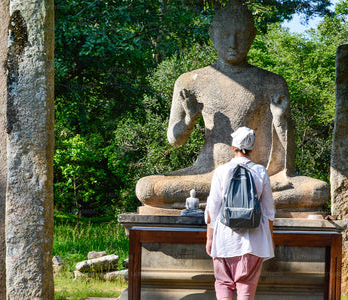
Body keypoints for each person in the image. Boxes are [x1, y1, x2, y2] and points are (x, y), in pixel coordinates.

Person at [135, 0, 329, 215]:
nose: (233, 43)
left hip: (258, 175)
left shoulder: (271, 82)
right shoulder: (190, 81)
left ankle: (212, 203)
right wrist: (190, 121)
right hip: (209, 175)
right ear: (212, 34)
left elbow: (285, 164)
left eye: (241, 35)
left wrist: (281, 120)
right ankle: (252, 201)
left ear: (253, 35)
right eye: (225, 34)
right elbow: (175, 140)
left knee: (318, 190)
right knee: (146, 188)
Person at [205, 127, 275, 300]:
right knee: (246, 287)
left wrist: (210, 239)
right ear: (251, 149)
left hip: (224, 240)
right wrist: (270, 240)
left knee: (223, 284)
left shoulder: (221, 171)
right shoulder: (260, 171)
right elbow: (268, 211)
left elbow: (212, 209)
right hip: (253, 242)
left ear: (232, 147)